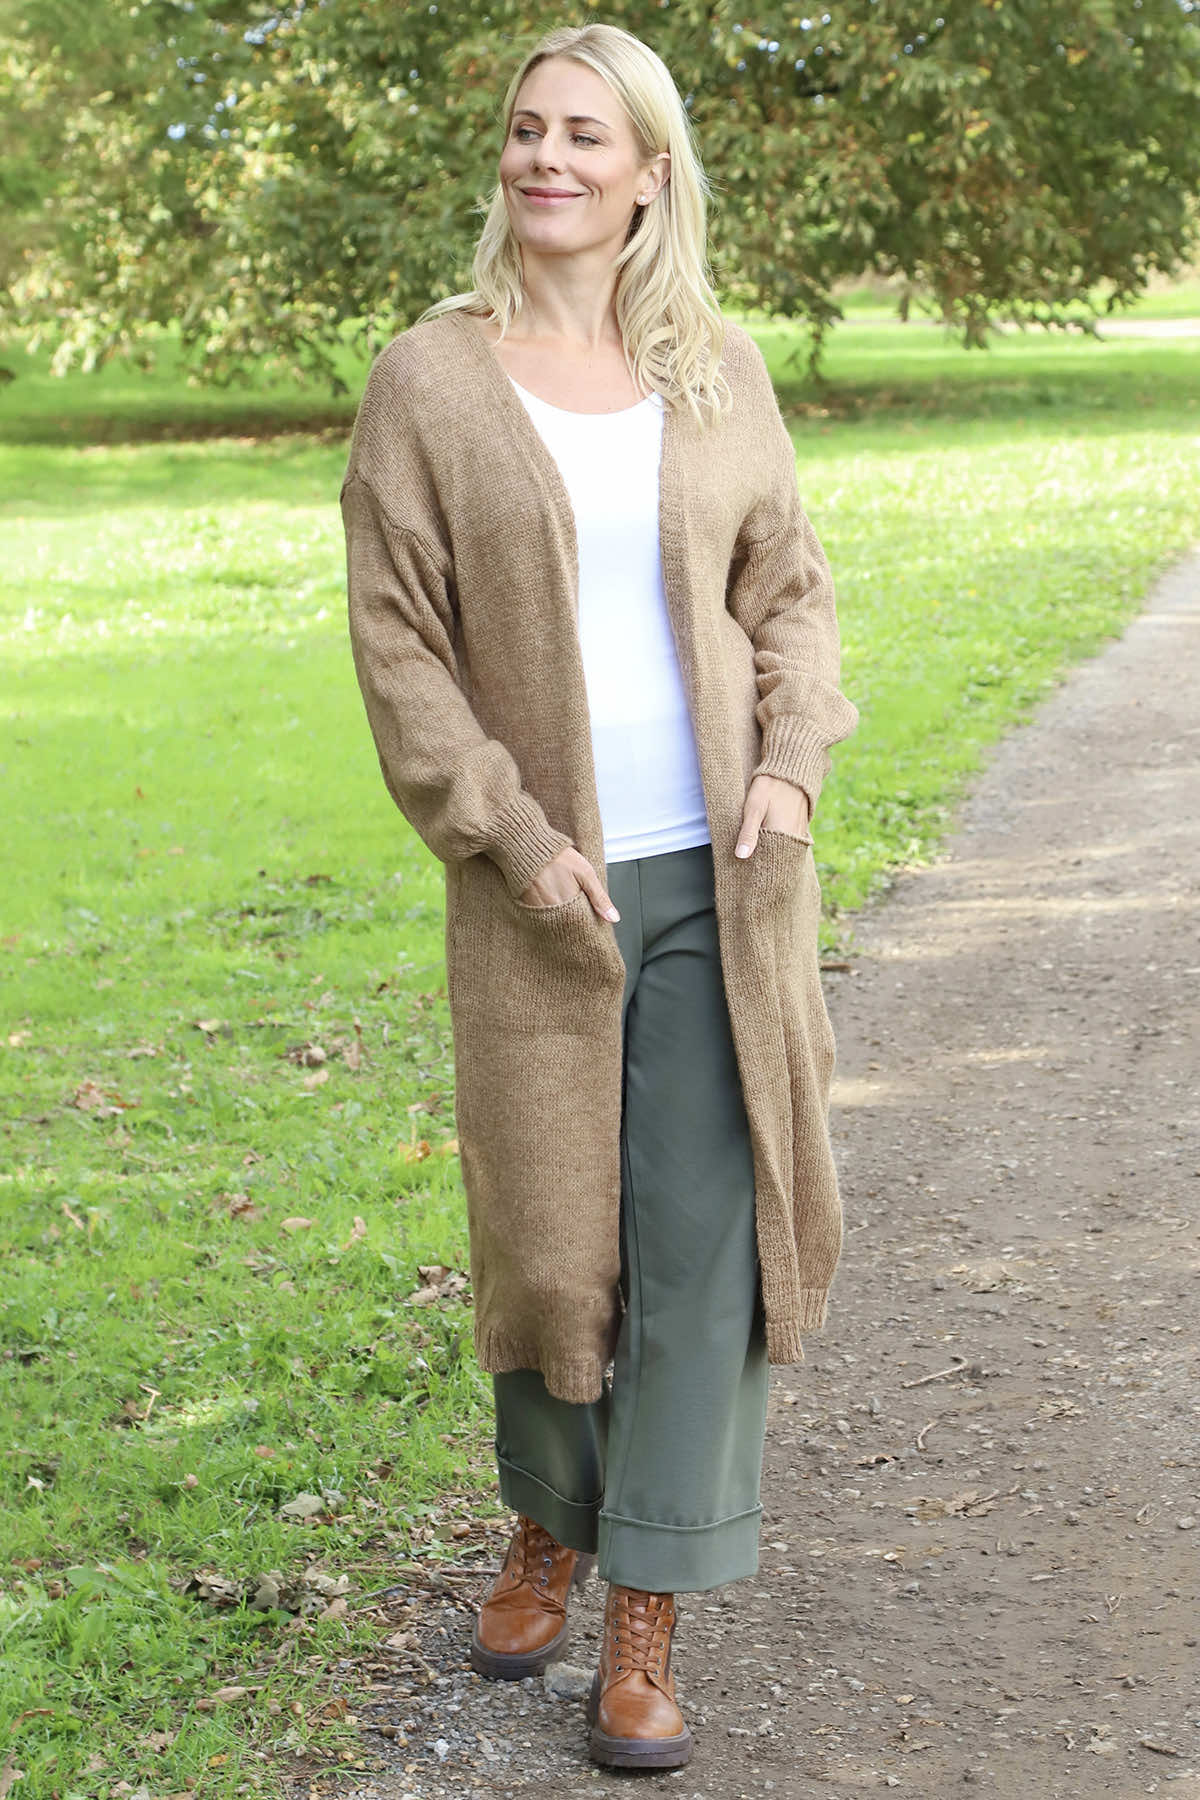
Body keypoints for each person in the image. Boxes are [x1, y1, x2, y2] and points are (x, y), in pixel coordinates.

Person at [341, 20, 858, 1774]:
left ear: (649, 172)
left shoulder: (717, 370)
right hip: (541, 890)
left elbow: (790, 592)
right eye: (526, 129)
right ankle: (549, 1521)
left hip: (725, 873)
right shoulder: (429, 380)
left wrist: (791, 760)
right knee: (557, 1240)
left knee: (704, 1250)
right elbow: (400, 643)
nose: (545, 158)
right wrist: (504, 828)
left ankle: (645, 1605)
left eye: (584, 135)